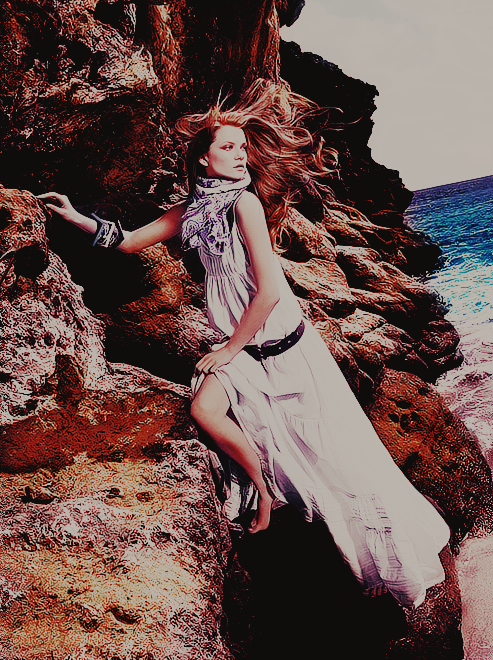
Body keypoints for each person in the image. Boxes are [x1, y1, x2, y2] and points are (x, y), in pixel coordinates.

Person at [39, 79, 450, 608]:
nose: (241, 155)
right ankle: (264, 489)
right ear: (203, 160)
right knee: (205, 410)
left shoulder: (245, 204)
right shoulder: (190, 211)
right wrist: (75, 216)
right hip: (241, 347)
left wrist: (229, 349)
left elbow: (270, 291)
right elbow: (129, 241)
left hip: (279, 346)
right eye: (228, 147)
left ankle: (381, 561)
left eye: (243, 147)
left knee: (333, 457)